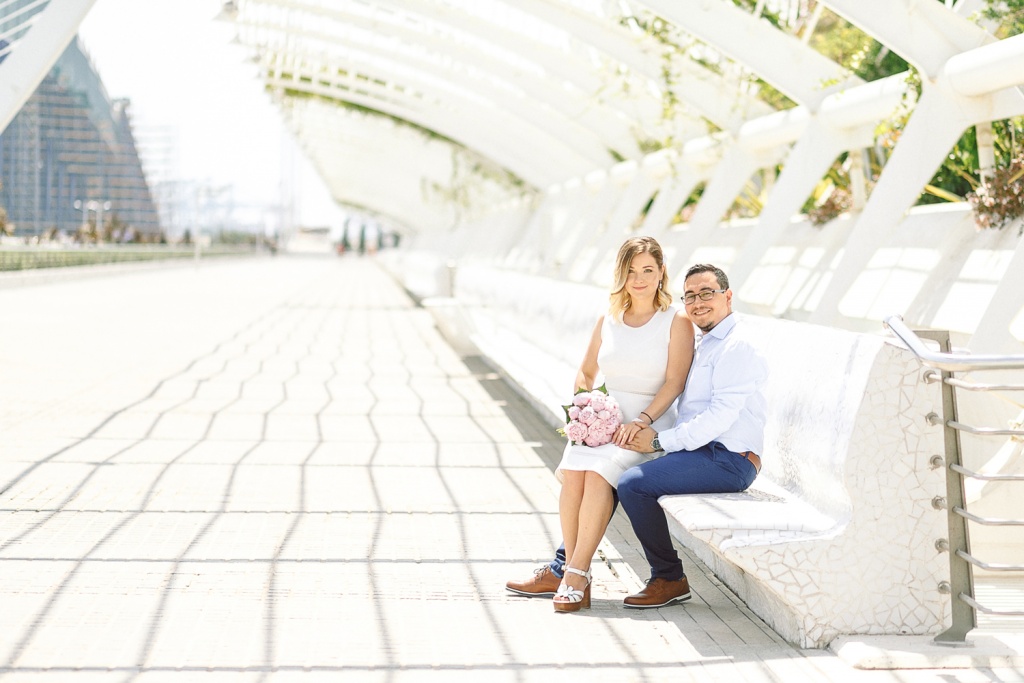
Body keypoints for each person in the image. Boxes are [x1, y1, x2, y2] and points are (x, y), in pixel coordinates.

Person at [510, 236, 694, 612]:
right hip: (604, 421)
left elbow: (675, 382)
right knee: (574, 472)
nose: (639, 279)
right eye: (631, 271)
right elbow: (586, 373)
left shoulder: (676, 320)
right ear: (620, 274)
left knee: (597, 476)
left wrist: (641, 420)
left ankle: (574, 574)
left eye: (648, 270)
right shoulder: (608, 319)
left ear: (662, 272)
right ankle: (568, 570)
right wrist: (584, 409)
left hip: (647, 425)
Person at [615, 263, 768, 608]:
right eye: (690, 297)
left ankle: (668, 578)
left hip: (730, 460)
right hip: (704, 453)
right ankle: (568, 564)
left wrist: (658, 441)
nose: (698, 303)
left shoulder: (737, 345)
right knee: (614, 466)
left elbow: (718, 418)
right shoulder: (707, 343)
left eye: (707, 293)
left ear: (728, 297)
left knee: (633, 484)